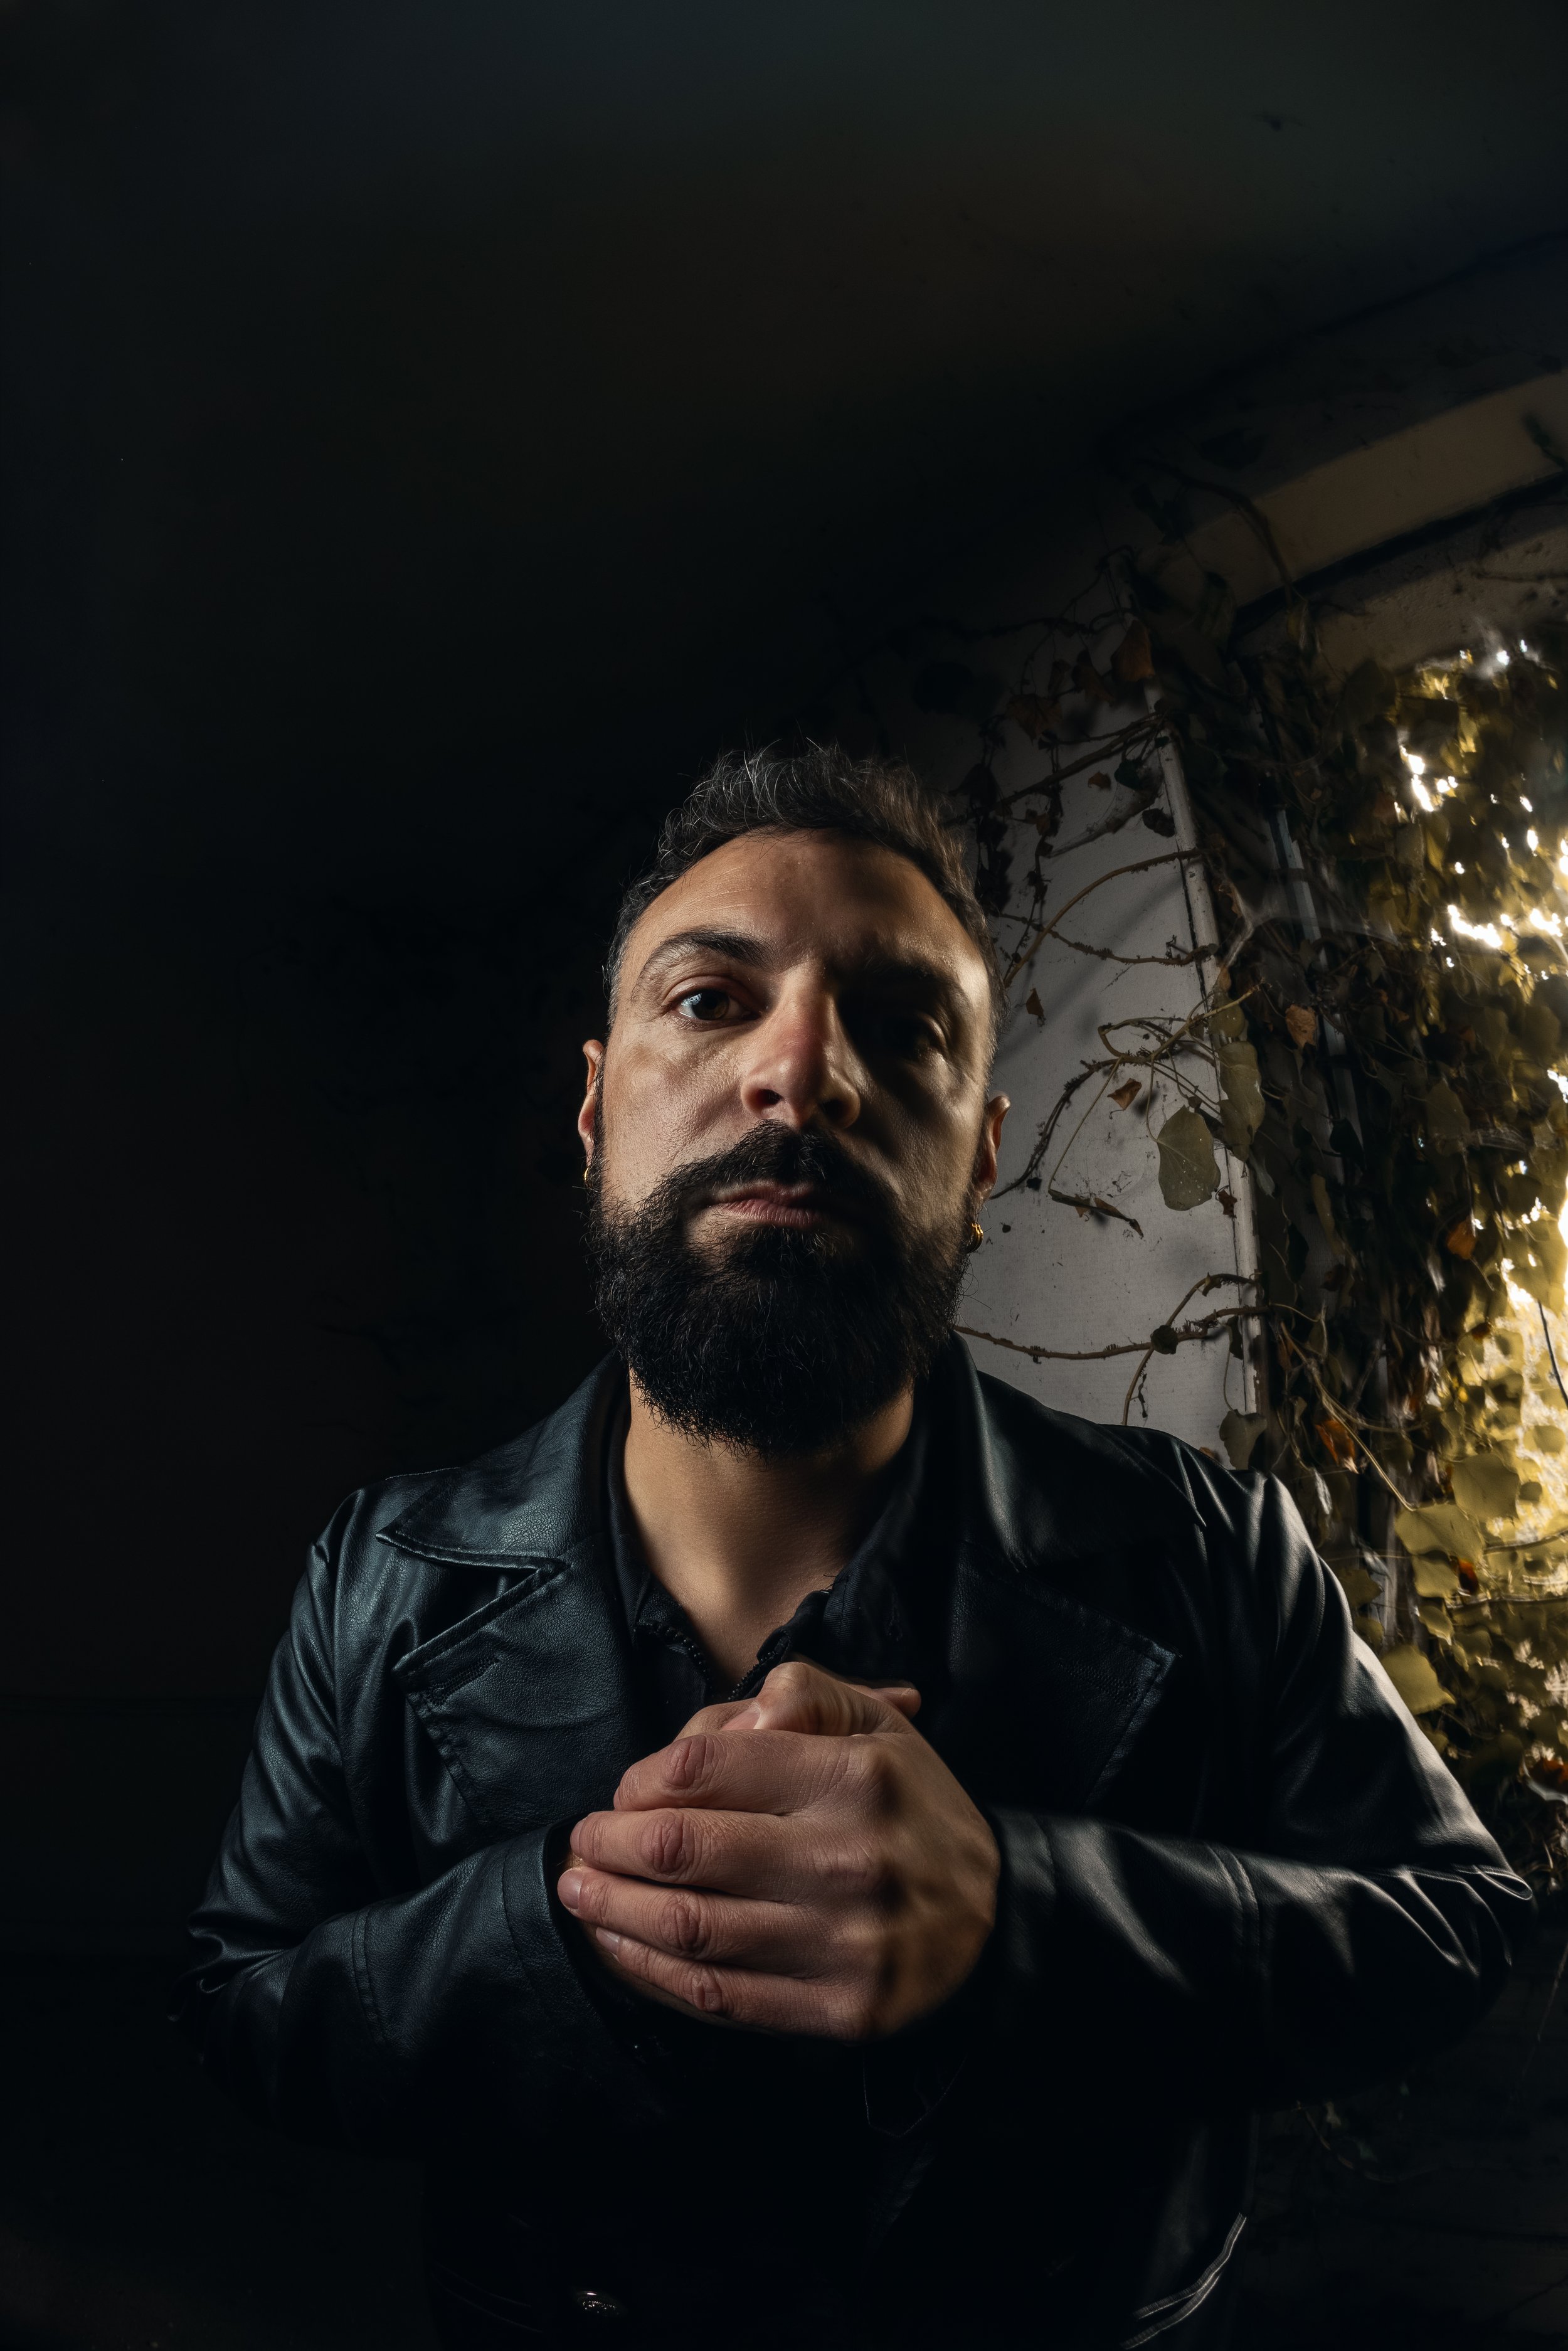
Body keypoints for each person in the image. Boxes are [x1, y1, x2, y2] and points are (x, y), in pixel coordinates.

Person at [176, 746, 1530, 2350]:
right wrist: (561, 1934)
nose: (800, 1069)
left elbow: (1452, 1923)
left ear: (980, 1152)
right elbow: (246, 2002)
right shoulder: (382, 1569)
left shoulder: (1210, 1546)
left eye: (899, 1025)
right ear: (597, 1109)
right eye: (709, 1000)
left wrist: (1021, 1913)